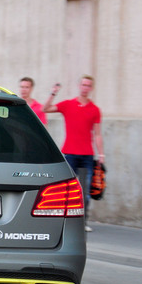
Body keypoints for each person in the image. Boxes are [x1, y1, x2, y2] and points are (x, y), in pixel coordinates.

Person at [44, 75, 105, 232]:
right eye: (83, 84)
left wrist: (101, 154)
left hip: (87, 156)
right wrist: (53, 93)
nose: (85, 87)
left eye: (88, 85)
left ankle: (83, 222)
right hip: (69, 153)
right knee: (66, 190)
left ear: (91, 88)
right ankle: (63, 219)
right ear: (79, 86)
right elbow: (46, 109)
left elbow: (97, 134)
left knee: (85, 191)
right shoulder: (68, 105)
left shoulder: (95, 110)